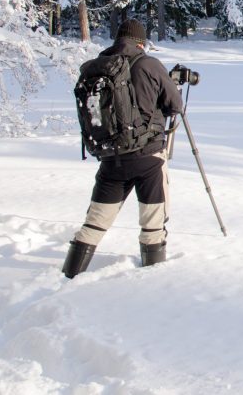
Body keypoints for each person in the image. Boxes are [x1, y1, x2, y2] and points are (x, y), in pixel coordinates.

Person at [63, 19, 184, 278]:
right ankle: (152, 278)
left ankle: (69, 275)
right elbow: (175, 106)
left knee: (95, 222)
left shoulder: (96, 67)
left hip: (110, 157)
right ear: (141, 42)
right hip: (148, 158)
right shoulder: (149, 64)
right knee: (153, 222)